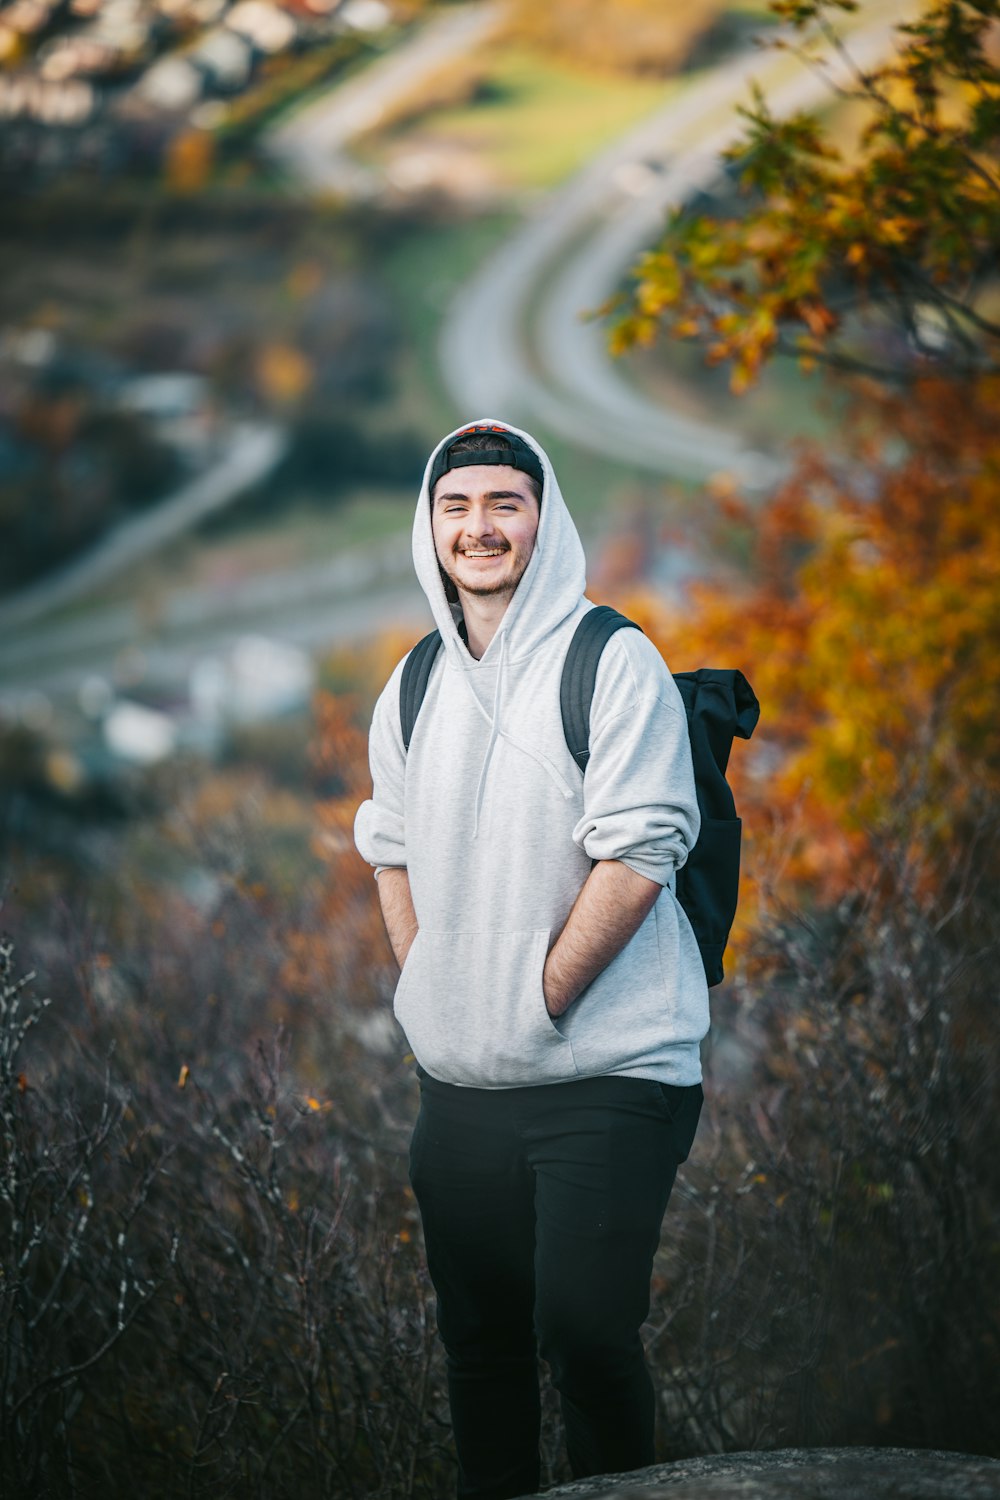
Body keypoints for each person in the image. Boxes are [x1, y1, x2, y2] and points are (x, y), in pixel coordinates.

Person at [354, 419, 707, 1500]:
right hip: (460, 1081)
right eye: (456, 507)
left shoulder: (613, 659)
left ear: (543, 519)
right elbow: (390, 849)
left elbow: (644, 846)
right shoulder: (412, 682)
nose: (479, 526)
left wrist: (532, 999)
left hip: (609, 1069)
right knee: (483, 1346)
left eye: (504, 503)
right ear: (430, 527)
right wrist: (433, 997)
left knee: (587, 1329)